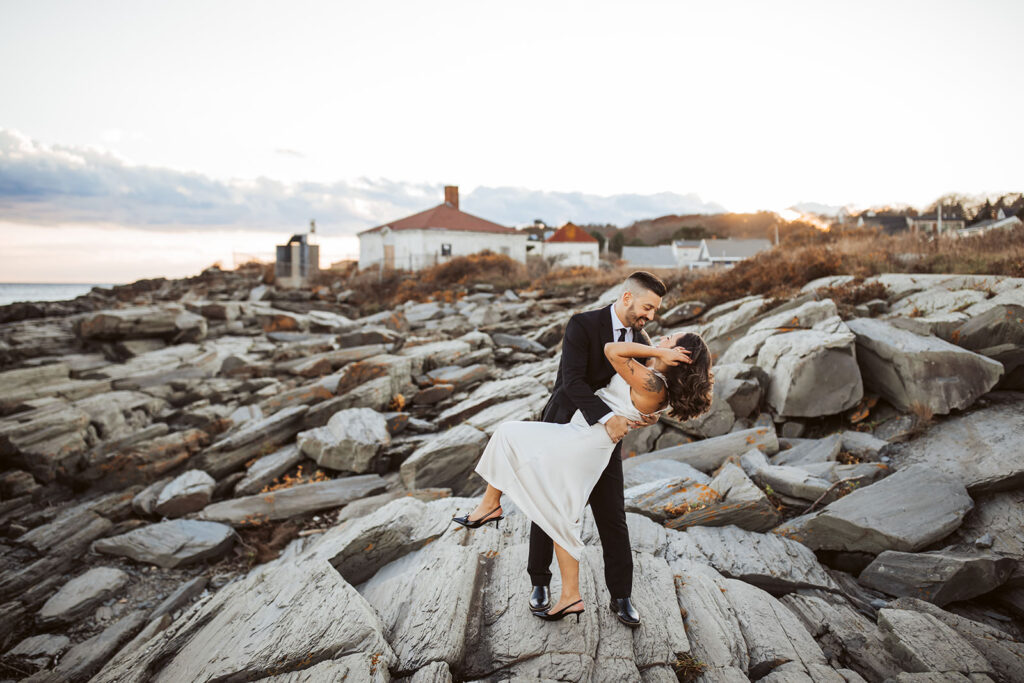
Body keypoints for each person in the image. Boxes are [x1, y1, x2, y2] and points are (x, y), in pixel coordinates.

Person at [452, 287, 714, 625]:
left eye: (668, 338)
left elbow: (612, 351)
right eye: (648, 308)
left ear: (679, 355)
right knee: (559, 511)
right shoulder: (644, 367)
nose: (657, 332)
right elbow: (577, 379)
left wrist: (652, 352)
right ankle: (562, 592)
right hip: (578, 427)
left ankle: (610, 595)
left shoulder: (652, 379)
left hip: (586, 441)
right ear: (628, 296)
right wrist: (656, 356)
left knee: (576, 509)